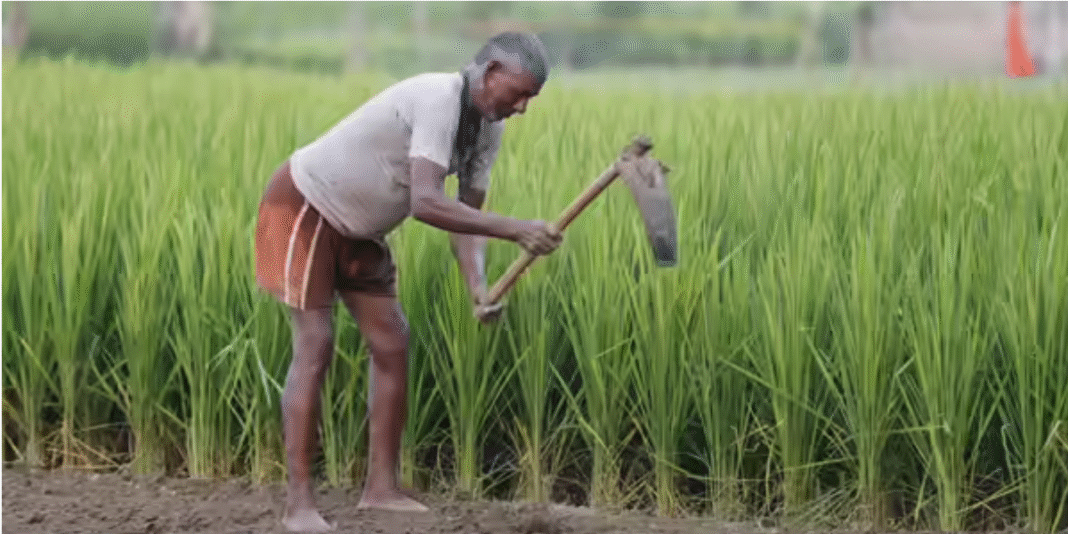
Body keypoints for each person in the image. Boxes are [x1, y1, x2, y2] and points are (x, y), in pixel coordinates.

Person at [254, 32, 562, 532]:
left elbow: (465, 221)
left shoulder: (487, 130)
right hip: (306, 206)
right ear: (490, 72)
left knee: (392, 343)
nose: (522, 107)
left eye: (531, 99)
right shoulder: (438, 97)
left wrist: (478, 290)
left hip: (360, 229)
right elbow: (426, 203)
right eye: (519, 93)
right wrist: (519, 229)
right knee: (316, 343)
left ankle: (381, 490)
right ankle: (299, 505)